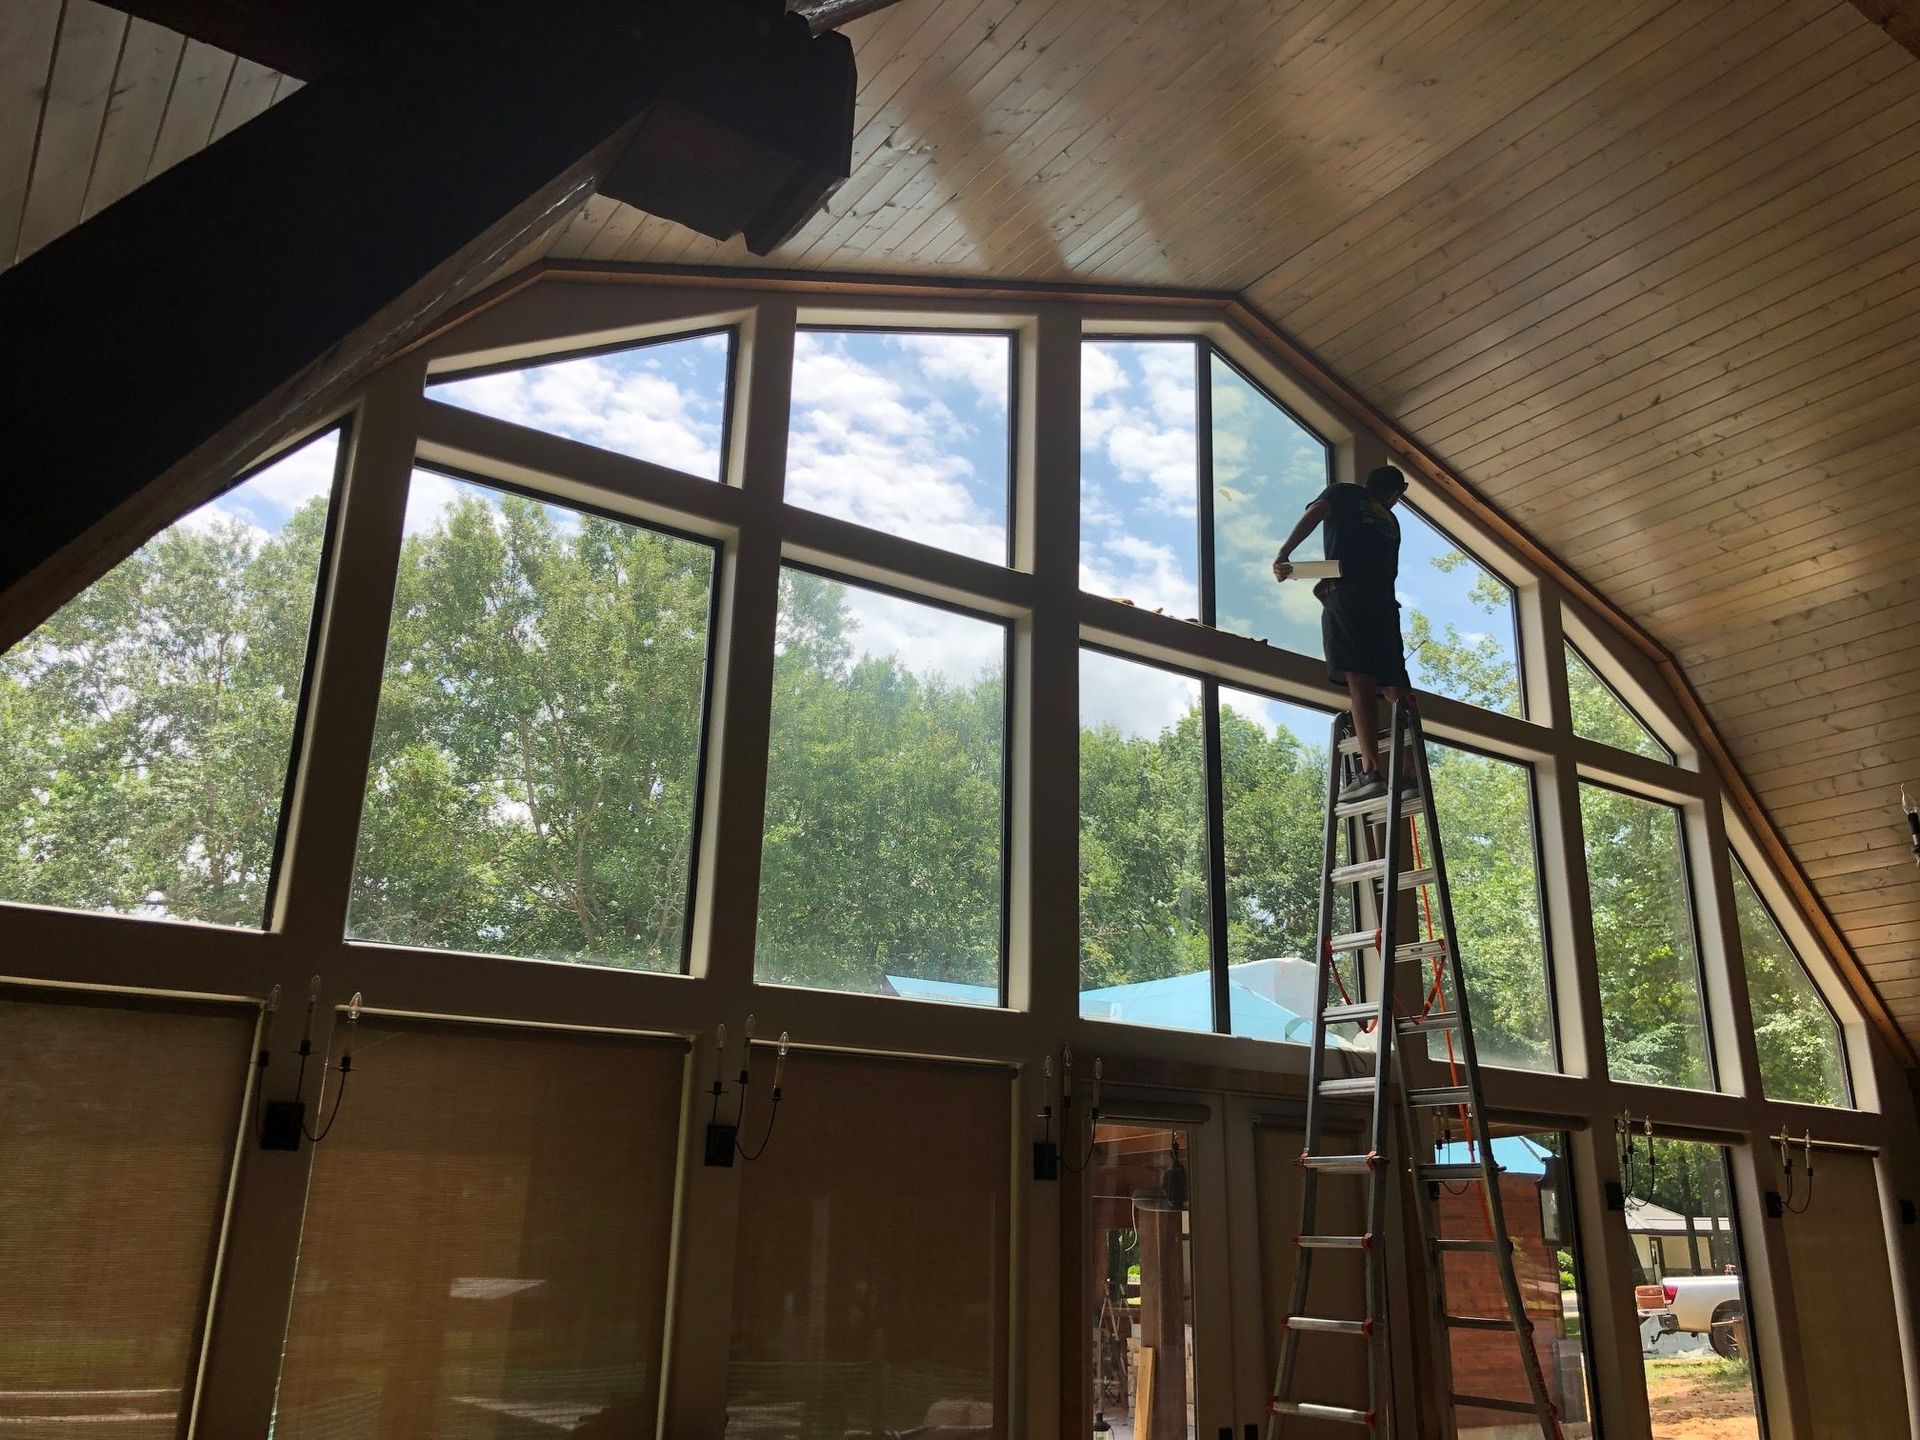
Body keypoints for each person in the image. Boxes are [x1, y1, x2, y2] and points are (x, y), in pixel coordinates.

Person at [1271, 464, 1413, 802]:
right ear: (1394, 493)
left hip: (1347, 596)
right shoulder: (1391, 522)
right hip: (1383, 605)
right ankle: (1409, 774)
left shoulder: (1343, 492)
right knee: (1395, 686)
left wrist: (1284, 553)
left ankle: (1371, 772)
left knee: (1359, 678)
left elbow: (1316, 513)